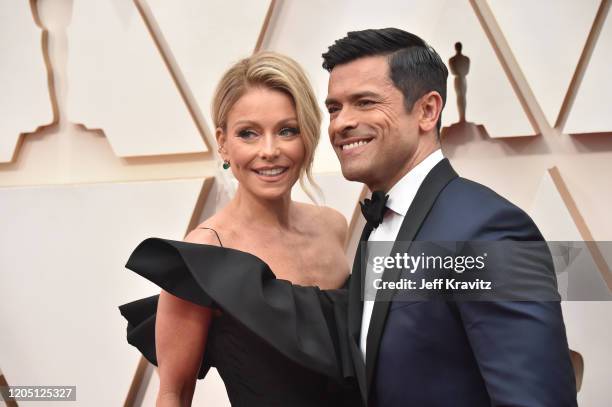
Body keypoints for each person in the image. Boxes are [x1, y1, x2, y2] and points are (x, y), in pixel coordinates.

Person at [322, 28, 577, 406]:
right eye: (334, 108)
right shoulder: (377, 222)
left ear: (427, 110)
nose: (341, 123)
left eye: (364, 102)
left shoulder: (489, 232)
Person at [119, 52, 360, 407]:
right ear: (223, 142)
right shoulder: (203, 256)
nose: (269, 150)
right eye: (248, 134)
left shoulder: (333, 226)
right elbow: (174, 393)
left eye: (286, 130)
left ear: (306, 136)